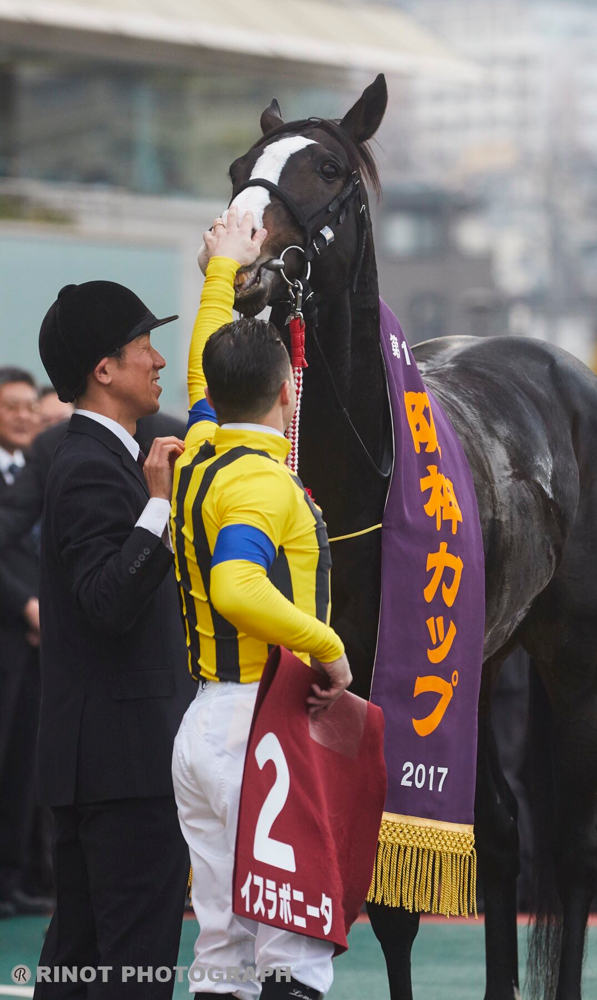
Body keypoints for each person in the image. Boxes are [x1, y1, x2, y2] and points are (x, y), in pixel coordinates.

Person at [170, 209, 352, 1000]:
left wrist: (222, 271)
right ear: (288, 390)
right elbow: (237, 587)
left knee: (224, 951)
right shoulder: (259, 479)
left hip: (209, 722)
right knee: (293, 951)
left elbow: (200, 372)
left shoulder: (201, 447)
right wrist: (329, 648)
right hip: (262, 723)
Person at [34, 279, 194, 997]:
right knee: (132, 967)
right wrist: (158, 506)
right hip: (124, 768)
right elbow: (107, 601)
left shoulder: (101, 459)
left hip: (104, 762)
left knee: (78, 962)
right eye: (143, 347)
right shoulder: (90, 465)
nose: (158, 361)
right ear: (104, 368)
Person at [0, 366, 50, 918]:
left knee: (25, 766)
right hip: (8, 636)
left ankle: (14, 879)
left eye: (28, 407)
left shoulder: (43, 470)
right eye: (10, 406)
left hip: (41, 646)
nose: (22, 416)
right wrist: (25, 604)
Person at [0, 410, 187, 550]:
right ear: (103, 373)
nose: (157, 370)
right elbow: (15, 512)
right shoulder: (52, 444)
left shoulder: (175, 434)